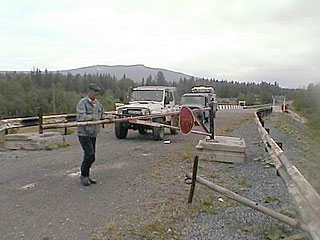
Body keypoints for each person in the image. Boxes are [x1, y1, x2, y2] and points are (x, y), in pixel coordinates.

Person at [76, 83, 103, 186]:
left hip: (93, 133)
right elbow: (80, 117)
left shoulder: (98, 104)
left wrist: (106, 119)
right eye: (94, 92)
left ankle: (86, 175)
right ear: (89, 92)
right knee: (89, 155)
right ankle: (84, 176)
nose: (96, 94)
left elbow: (101, 116)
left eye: (97, 92)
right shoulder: (82, 103)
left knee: (92, 156)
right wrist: (91, 117)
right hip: (84, 133)